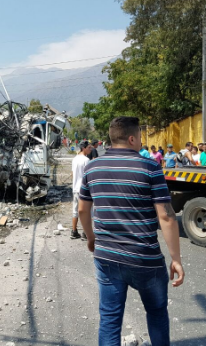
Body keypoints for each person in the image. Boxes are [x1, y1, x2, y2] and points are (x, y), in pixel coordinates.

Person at [78, 116, 184, 346]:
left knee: (109, 318)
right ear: (132, 138)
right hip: (145, 259)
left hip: (106, 257)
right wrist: (175, 258)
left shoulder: (92, 167)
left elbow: (83, 210)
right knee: (156, 313)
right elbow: (166, 216)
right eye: (140, 138)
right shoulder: (150, 167)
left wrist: (91, 238)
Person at [71, 140, 92, 239]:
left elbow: (72, 174)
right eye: (89, 148)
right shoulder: (86, 160)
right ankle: (85, 233)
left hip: (75, 188)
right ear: (84, 148)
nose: (90, 149)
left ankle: (74, 231)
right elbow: (88, 175)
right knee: (86, 211)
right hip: (84, 189)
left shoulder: (74, 159)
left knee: (75, 211)